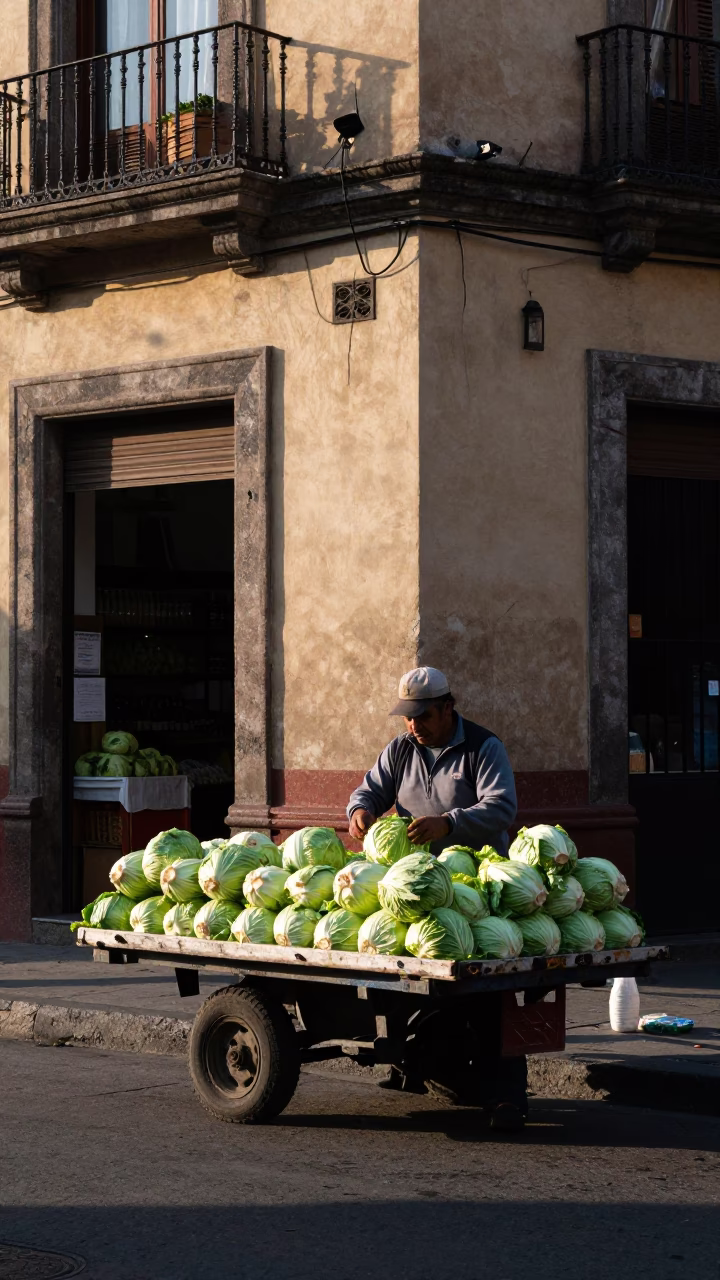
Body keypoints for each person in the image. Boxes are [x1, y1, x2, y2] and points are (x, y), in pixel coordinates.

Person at [346, 665, 526, 1131]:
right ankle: (415, 1065)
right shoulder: (403, 749)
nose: (413, 726)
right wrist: (360, 810)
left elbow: (501, 807)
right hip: (418, 891)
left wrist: (448, 823)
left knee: (489, 997)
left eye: (422, 716)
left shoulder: (483, 747)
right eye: (407, 717)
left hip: (475, 890)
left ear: (448, 708)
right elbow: (370, 788)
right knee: (409, 979)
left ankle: (507, 1098)